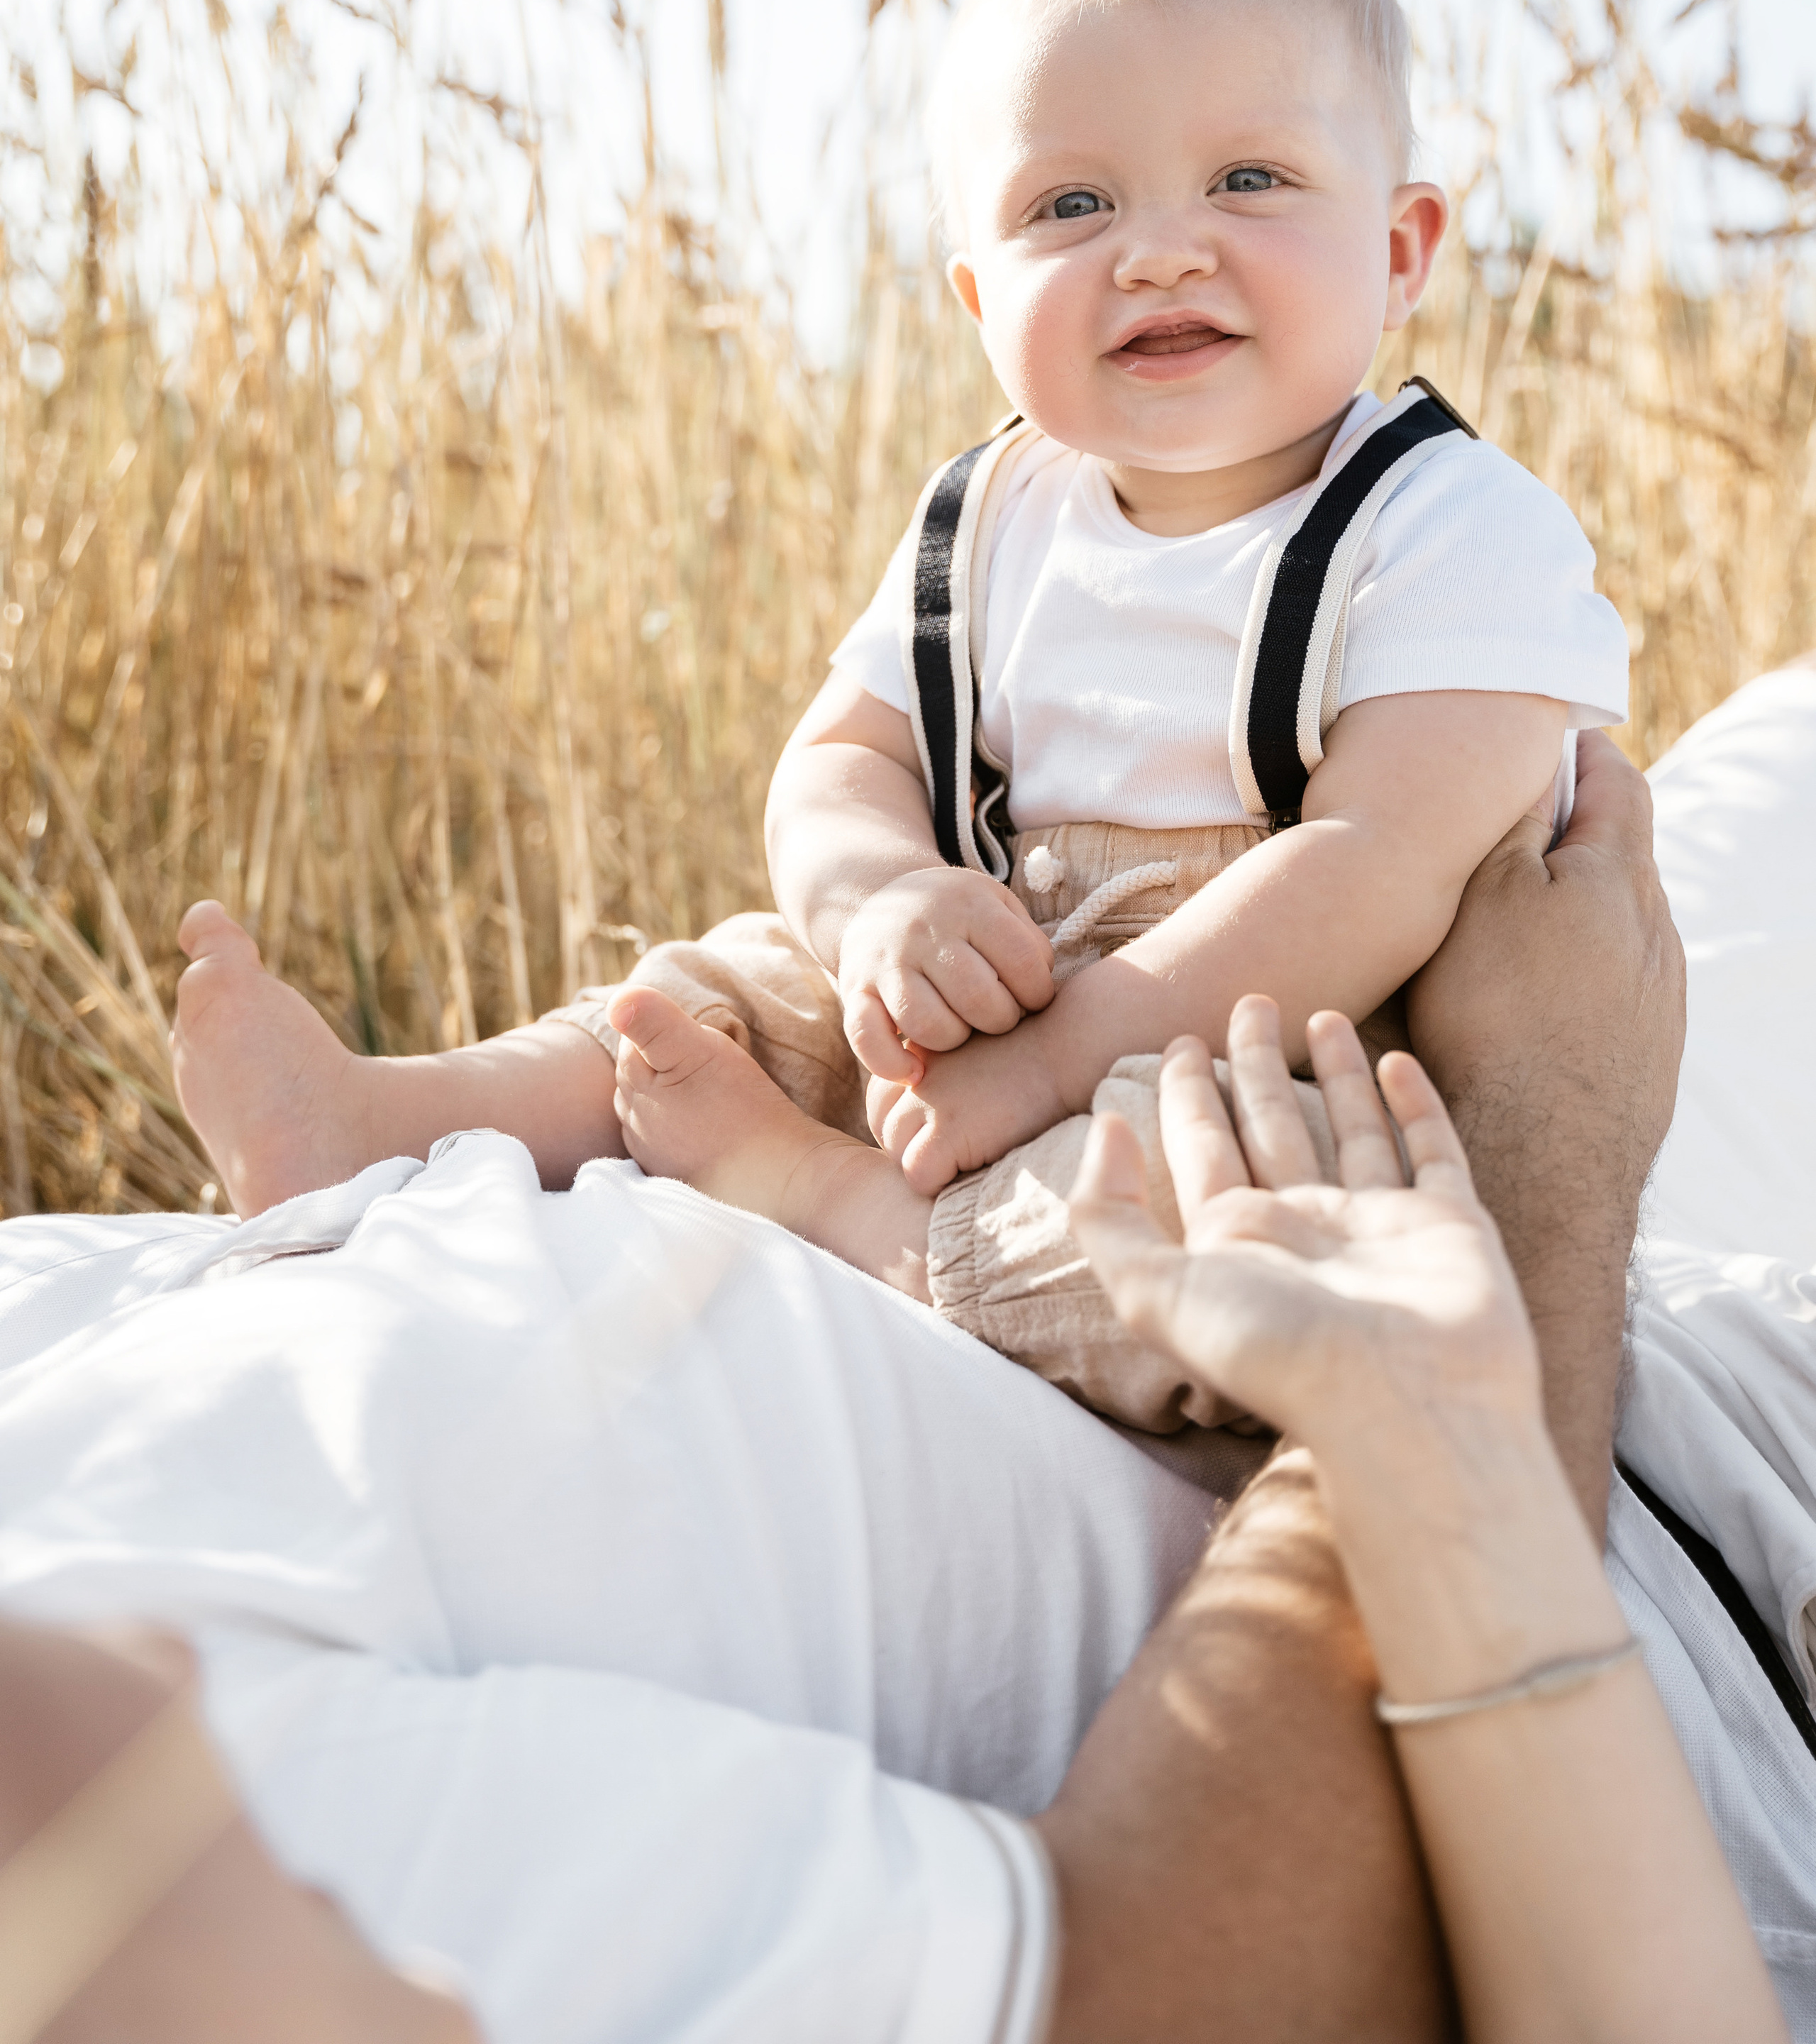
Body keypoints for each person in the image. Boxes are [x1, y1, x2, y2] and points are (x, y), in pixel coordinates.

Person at [0, 738, 1790, 2040]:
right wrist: (1533, 1138)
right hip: (1567, 1449)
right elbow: (1220, 1986)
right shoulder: (163, 1884)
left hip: (1353, 1169)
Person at [167, 0, 1629, 1435]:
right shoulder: (987, 517)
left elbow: (1369, 862)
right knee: (722, 989)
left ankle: (853, 1217)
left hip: (1273, 1037)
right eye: (1070, 205)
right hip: (989, 982)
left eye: (1248, 179)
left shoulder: (1452, 527)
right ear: (973, 292)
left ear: (1402, 249)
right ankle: (391, 1118)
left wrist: (1061, 1061)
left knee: (1267, 1203)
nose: (1155, 252)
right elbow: (840, 762)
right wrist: (881, 902)